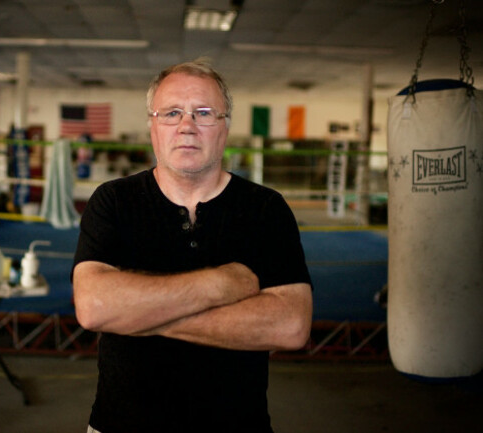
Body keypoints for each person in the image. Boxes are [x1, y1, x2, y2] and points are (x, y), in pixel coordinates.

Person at [72, 58, 313, 433]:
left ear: (225, 127)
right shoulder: (113, 201)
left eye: (203, 112)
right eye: (171, 113)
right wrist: (220, 285)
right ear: (153, 126)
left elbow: (290, 326)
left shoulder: (266, 208)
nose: (187, 126)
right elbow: (93, 306)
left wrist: (139, 313)